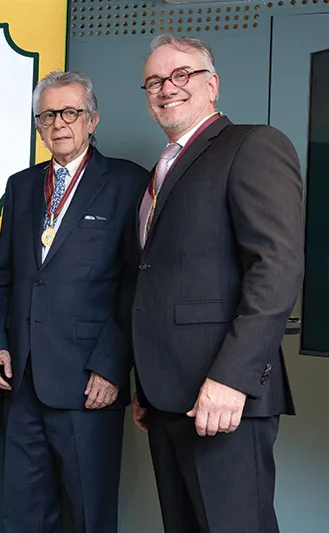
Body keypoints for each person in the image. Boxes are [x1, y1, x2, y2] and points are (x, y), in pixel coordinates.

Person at [130, 34, 303, 533]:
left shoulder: (253, 145)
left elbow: (276, 267)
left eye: (181, 74)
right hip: (166, 397)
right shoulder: (161, 171)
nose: (167, 88)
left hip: (224, 394)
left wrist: (232, 379)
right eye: (154, 81)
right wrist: (145, 383)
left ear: (212, 84)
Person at [0, 71, 147, 533]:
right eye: (48, 115)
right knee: (23, 515)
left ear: (92, 120)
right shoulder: (21, 186)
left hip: (88, 381)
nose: (59, 124)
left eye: (71, 112)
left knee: (88, 515)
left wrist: (112, 365)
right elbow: (4, 276)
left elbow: (135, 284)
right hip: (22, 380)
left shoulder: (128, 182)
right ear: (38, 126)